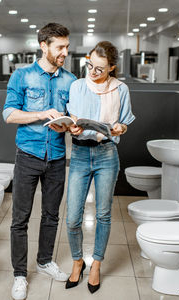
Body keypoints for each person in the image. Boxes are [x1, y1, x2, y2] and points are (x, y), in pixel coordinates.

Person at [2, 22, 77, 300]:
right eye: (60, 47)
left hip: (57, 158)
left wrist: (68, 126)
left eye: (67, 47)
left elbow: (72, 119)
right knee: (19, 219)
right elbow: (9, 114)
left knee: (51, 215)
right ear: (44, 46)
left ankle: (44, 262)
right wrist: (41, 114)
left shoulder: (70, 80)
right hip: (28, 157)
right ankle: (20, 275)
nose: (65, 52)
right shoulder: (22, 76)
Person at [65, 41, 135, 294]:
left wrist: (120, 128)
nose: (92, 72)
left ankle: (95, 266)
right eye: (90, 65)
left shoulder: (121, 89)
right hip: (81, 154)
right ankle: (77, 262)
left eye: (100, 69)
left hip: (107, 154)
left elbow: (125, 122)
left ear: (112, 68)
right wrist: (72, 126)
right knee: (73, 217)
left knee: (103, 215)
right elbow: (73, 118)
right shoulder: (77, 86)